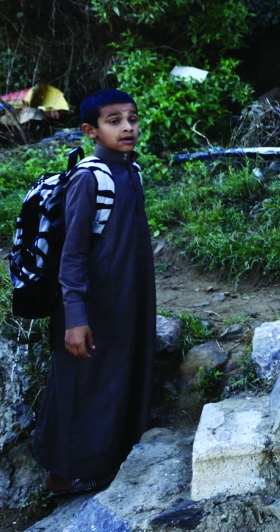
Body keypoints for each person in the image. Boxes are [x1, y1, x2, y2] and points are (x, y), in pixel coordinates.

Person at [32, 89, 156, 495]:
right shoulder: (90, 178)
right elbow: (73, 255)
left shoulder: (130, 171)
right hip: (90, 307)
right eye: (114, 121)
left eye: (132, 119)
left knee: (116, 380)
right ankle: (63, 476)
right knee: (82, 388)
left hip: (125, 302)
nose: (128, 128)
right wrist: (75, 318)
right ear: (90, 130)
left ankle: (106, 462)